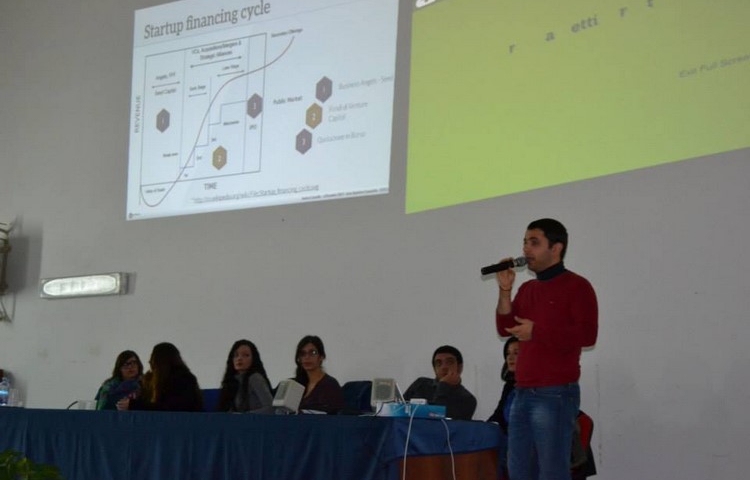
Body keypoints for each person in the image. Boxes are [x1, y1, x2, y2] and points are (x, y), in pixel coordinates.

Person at [495, 218, 598, 480]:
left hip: (554, 394)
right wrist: (505, 291)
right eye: (525, 242)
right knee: (518, 471)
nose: (526, 249)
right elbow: (506, 327)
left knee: (552, 471)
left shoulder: (577, 286)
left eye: (534, 242)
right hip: (521, 393)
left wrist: (537, 331)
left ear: (556, 248)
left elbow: (588, 335)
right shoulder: (528, 288)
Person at [117, 342, 203, 412]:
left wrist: (134, 405)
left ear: (160, 362)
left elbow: (169, 409)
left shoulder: (184, 381)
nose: (149, 362)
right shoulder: (151, 382)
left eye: (153, 358)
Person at [403, 345, 477, 420]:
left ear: (459, 368)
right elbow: (399, 409)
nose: (444, 367)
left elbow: (438, 416)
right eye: (439, 363)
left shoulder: (467, 399)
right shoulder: (421, 384)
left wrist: (444, 385)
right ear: (434, 369)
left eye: (449, 362)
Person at [217, 339, 273, 412]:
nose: (239, 358)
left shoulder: (255, 378)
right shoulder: (233, 381)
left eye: (246, 355)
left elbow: (271, 408)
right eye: (236, 355)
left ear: (253, 359)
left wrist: (245, 415)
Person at [293, 335, 345, 414]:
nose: (307, 357)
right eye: (302, 353)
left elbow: (332, 415)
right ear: (299, 359)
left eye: (313, 353)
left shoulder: (330, 385)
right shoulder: (295, 384)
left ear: (321, 357)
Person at [487, 336, 519, 432]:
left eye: (516, 353)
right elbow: (499, 415)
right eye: (508, 353)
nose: (510, 357)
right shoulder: (509, 386)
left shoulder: (536, 388)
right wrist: (484, 428)